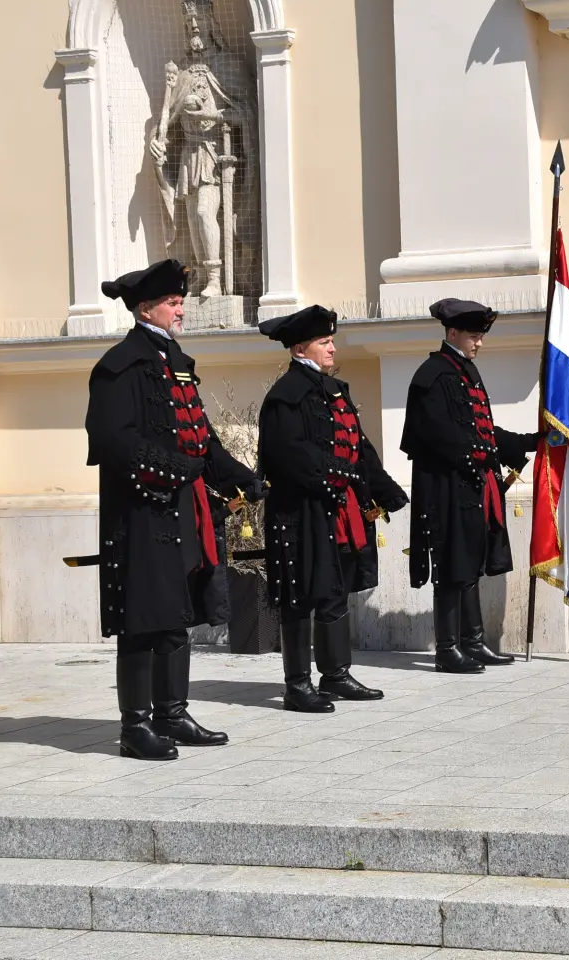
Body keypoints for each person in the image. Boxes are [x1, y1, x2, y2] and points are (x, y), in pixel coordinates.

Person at [86, 258, 264, 761]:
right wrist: (176, 469)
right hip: (142, 513)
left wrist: (241, 477)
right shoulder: (120, 366)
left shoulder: (176, 361)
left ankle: (172, 713)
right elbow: (111, 442)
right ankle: (135, 726)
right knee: (142, 619)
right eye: (172, 301)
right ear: (146, 308)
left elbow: (200, 439)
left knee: (176, 613)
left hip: (181, 511)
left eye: (181, 299)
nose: (180, 307)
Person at [257, 305, 409, 711]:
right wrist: (338, 474)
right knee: (300, 595)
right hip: (300, 512)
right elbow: (289, 456)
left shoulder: (337, 392)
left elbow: (359, 448)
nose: (332, 348)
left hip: (338, 508)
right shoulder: (284, 398)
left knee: (334, 591)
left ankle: (336, 675)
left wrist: (383, 487)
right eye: (324, 342)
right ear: (300, 348)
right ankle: (297, 685)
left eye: (331, 341)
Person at [401, 299, 541, 674]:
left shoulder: (464, 372)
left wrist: (527, 441)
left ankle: (473, 642)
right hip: (446, 487)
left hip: (470, 485)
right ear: (452, 333)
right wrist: (486, 453)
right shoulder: (433, 375)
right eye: (474, 335)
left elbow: (481, 430)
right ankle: (447, 649)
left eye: (481, 336)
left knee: (469, 565)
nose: (479, 343)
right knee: (450, 566)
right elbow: (442, 437)